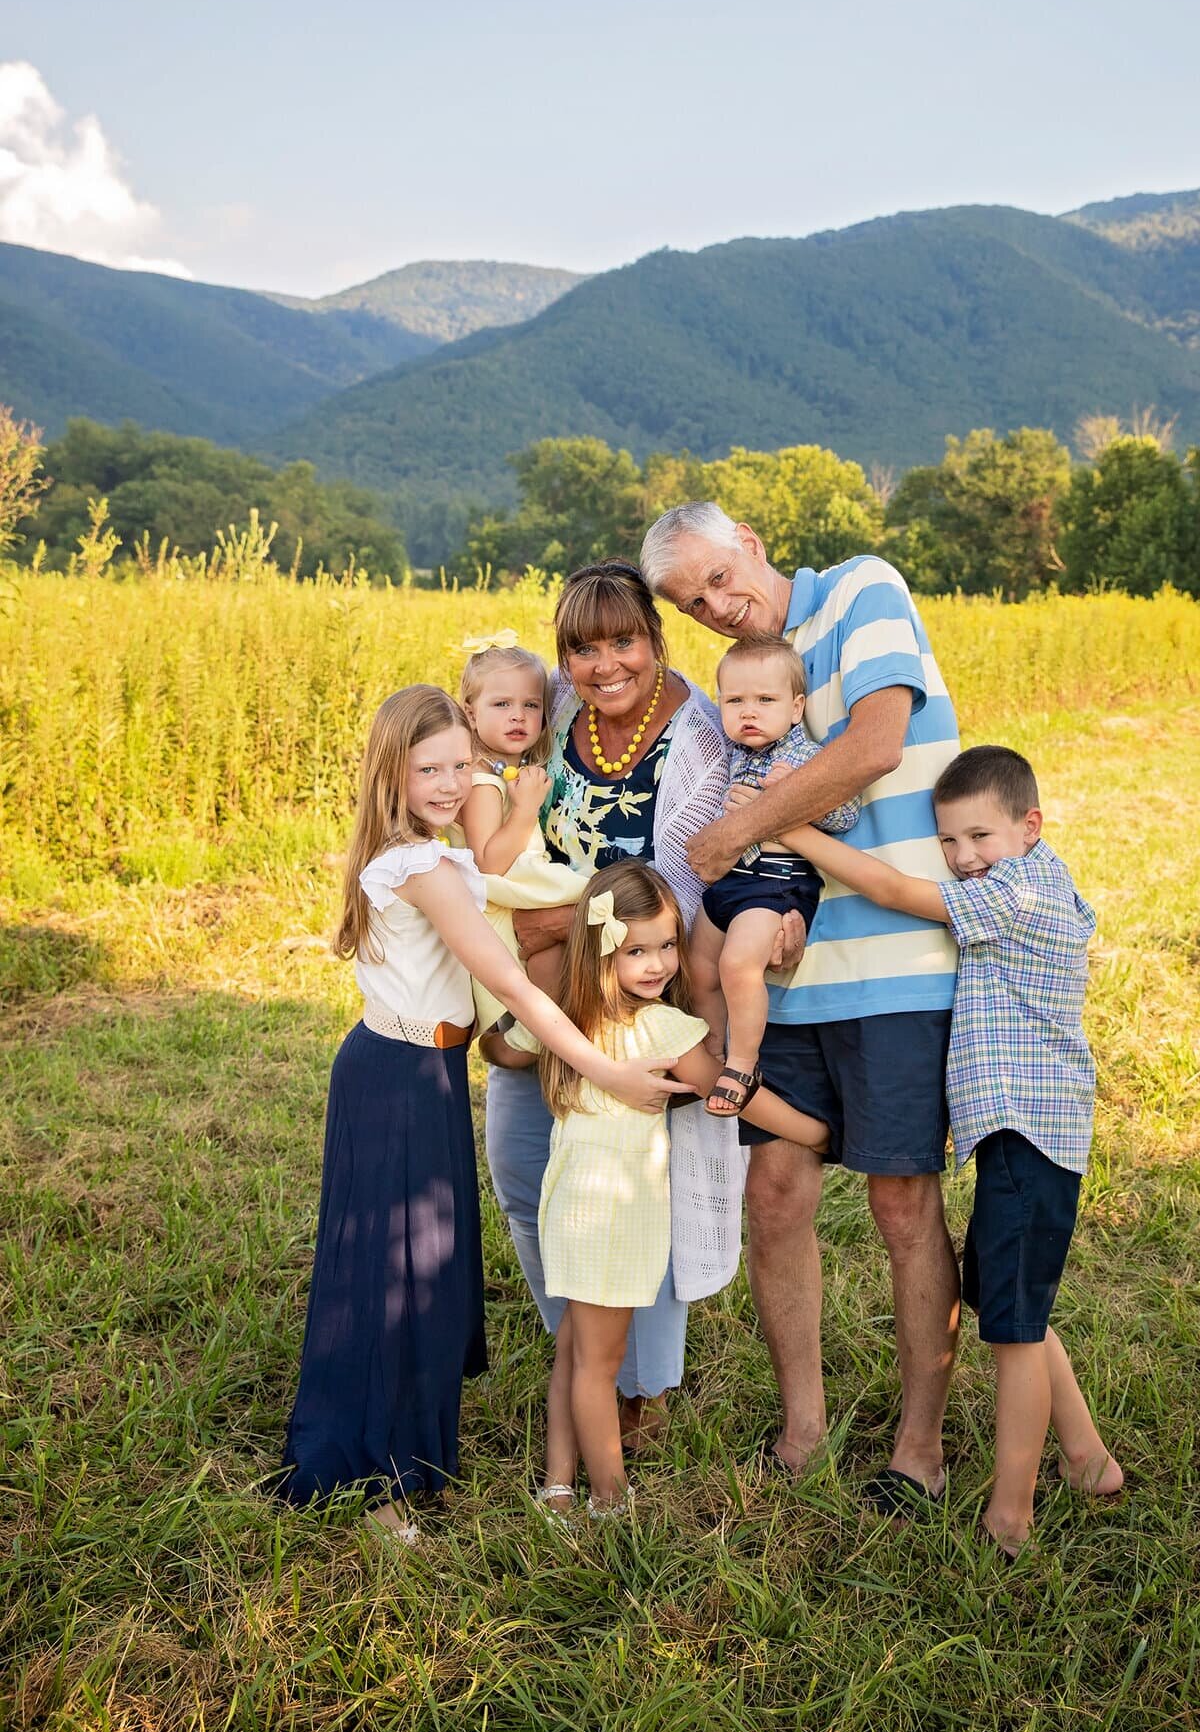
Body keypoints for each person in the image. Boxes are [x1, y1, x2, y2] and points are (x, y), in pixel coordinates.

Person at [278, 685, 677, 1543]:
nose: (453, 781)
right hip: (397, 1073)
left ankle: (407, 1460)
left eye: (462, 763)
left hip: (425, 1069)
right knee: (396, 1275)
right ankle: (379, 1483)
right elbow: (506, 978)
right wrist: (607, 1066)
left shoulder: (433, 851)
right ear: (393, 769)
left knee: (423, 1267)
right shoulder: (418, 865)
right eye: (430, 767)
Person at [640, 503, 961, 1509]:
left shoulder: (862, 587)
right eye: (691, 602)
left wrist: (738, 831)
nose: (714, 604)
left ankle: (919, 1442)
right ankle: (803, 1425)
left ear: (746, 537)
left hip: (898, 958)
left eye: (715, 576)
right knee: (775, 1197)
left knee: (902, 1202)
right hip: (781, 980)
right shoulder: (735, 683)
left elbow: (873, 744)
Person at [483, 562, 806, 1448]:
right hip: (541, 985)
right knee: (522, 1170)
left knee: (642, 1192)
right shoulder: (549, 712)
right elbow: (478, 763)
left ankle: (645, 1385)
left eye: (623, 639)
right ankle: (582, 1354)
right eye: (583, 646)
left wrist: (568, 921)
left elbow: (697, 866)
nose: (604, 662)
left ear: (656, 642)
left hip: (641, 991)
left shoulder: (700, 729)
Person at [783, 745, 1123, 1551]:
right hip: (1020, 1133)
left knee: (1010, 1330)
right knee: (1012, 1303)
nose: (966, 858)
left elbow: (894, 890)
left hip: (1029, 1128)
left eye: (981, 836)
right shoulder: (1026, 875)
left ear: (1029, 826)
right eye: (950, 843)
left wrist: (792, 824)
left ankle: (1011, 1515)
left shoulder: (1018, 889)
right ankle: (1088, 1458)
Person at [511, 860, 830, 1518]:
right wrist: (816, 1131)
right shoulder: (656, 1027)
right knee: (599, 1365)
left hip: (570, 1203)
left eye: (665, 944)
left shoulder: (571, 1021)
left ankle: (559, 1483)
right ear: (602, 951)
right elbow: (728, 1088)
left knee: (575, 1348)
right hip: (611, 1216)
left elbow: (506, 1047)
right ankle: (609, 1495)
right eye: (636, 950)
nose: (657, 964)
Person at [689, 635, 858, 1119]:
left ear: (796, 706)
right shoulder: (730, 748)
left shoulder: (805, 758)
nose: (749, 712)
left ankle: (744, 1064)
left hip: (777, 882)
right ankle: (716, 1051)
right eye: (735, 700)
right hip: (728, 884)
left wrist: (794, 797)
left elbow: (846, 813)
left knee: (737, 964)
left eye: (765, 700)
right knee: (700, 969)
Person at [454, 631, 559, 1053]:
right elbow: (487, 864)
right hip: (500, 898)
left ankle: (545, 1033)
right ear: (471, 712)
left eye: (530, 705)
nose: (518, 716)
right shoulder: (483, 781)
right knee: (588, 913)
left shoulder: (504, 771)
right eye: (502, 704)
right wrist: (525, 810)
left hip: (518, 886)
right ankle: (530, 1037)